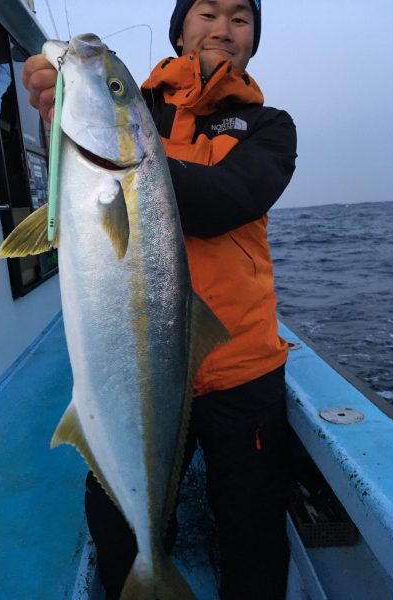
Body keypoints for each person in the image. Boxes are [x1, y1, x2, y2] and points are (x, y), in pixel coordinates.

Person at [23, 0, 297, 597]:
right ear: (180, 30)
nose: (223, 29)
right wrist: (61, 112)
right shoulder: (136, 108)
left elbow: (228, 197)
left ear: (253, 39)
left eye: (241, 18)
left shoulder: (270, 125)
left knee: (254, 538)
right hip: (134, 372)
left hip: (240, 365)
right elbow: (90, 171)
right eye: (207, 12)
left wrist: (126, 165)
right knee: (119, 535)